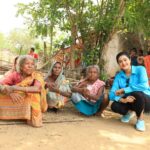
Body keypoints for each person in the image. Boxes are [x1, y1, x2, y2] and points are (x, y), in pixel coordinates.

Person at [0, 55, 47, 127]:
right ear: (21, 66)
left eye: (32, 64)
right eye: (27, 64)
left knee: (35, 95)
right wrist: (10, 93)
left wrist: (14, 88)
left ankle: (31, 117)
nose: (30, 66)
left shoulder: (37, 75)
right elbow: (2, 84)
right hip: (15, 97)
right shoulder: (15, 75)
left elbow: (37, 89)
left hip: (27, 99)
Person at [109, 51, 150, 132]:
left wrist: (124, 90)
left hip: (146, 100)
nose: (123, 63)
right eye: (120, 61)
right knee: (114, 105)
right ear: (118, 64)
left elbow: (144, 86)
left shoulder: (140, 69)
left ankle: (140, 120)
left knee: (137, 93)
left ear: (130, 60)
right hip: (129, 101)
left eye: (125, 60)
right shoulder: (118, 76)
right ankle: (130, 112)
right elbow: (112, 94)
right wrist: (123, 100)